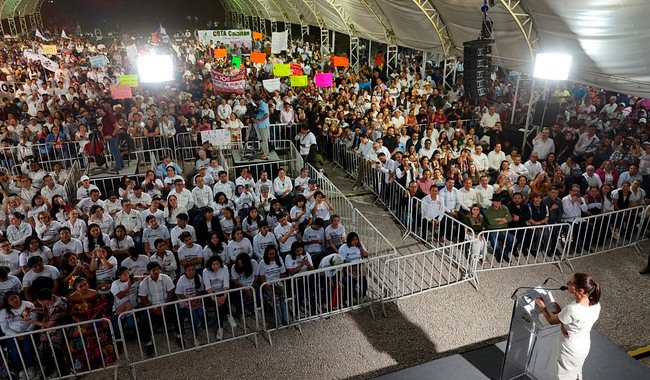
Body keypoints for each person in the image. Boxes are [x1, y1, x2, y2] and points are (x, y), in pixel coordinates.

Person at [535, 273, 601, 380]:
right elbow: (576, 322)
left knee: (562, 376)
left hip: (569, 349)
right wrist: (561, 313)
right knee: (575, 373)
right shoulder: (596, 304)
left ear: (580, 290)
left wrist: (543, 308)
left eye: (570, 283)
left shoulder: (572, 309)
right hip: (583, 346)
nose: (567, 284)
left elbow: (552, 321)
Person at [253, 94, 270, 159]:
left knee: (264, 139)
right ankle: (263, 151)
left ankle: (266, 154)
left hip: (263, 125)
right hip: (260, 125)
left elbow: (266, 114)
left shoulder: (262, 104)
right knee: (262, 139)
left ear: (255, 100)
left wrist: (259, 120)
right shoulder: (260, 105)